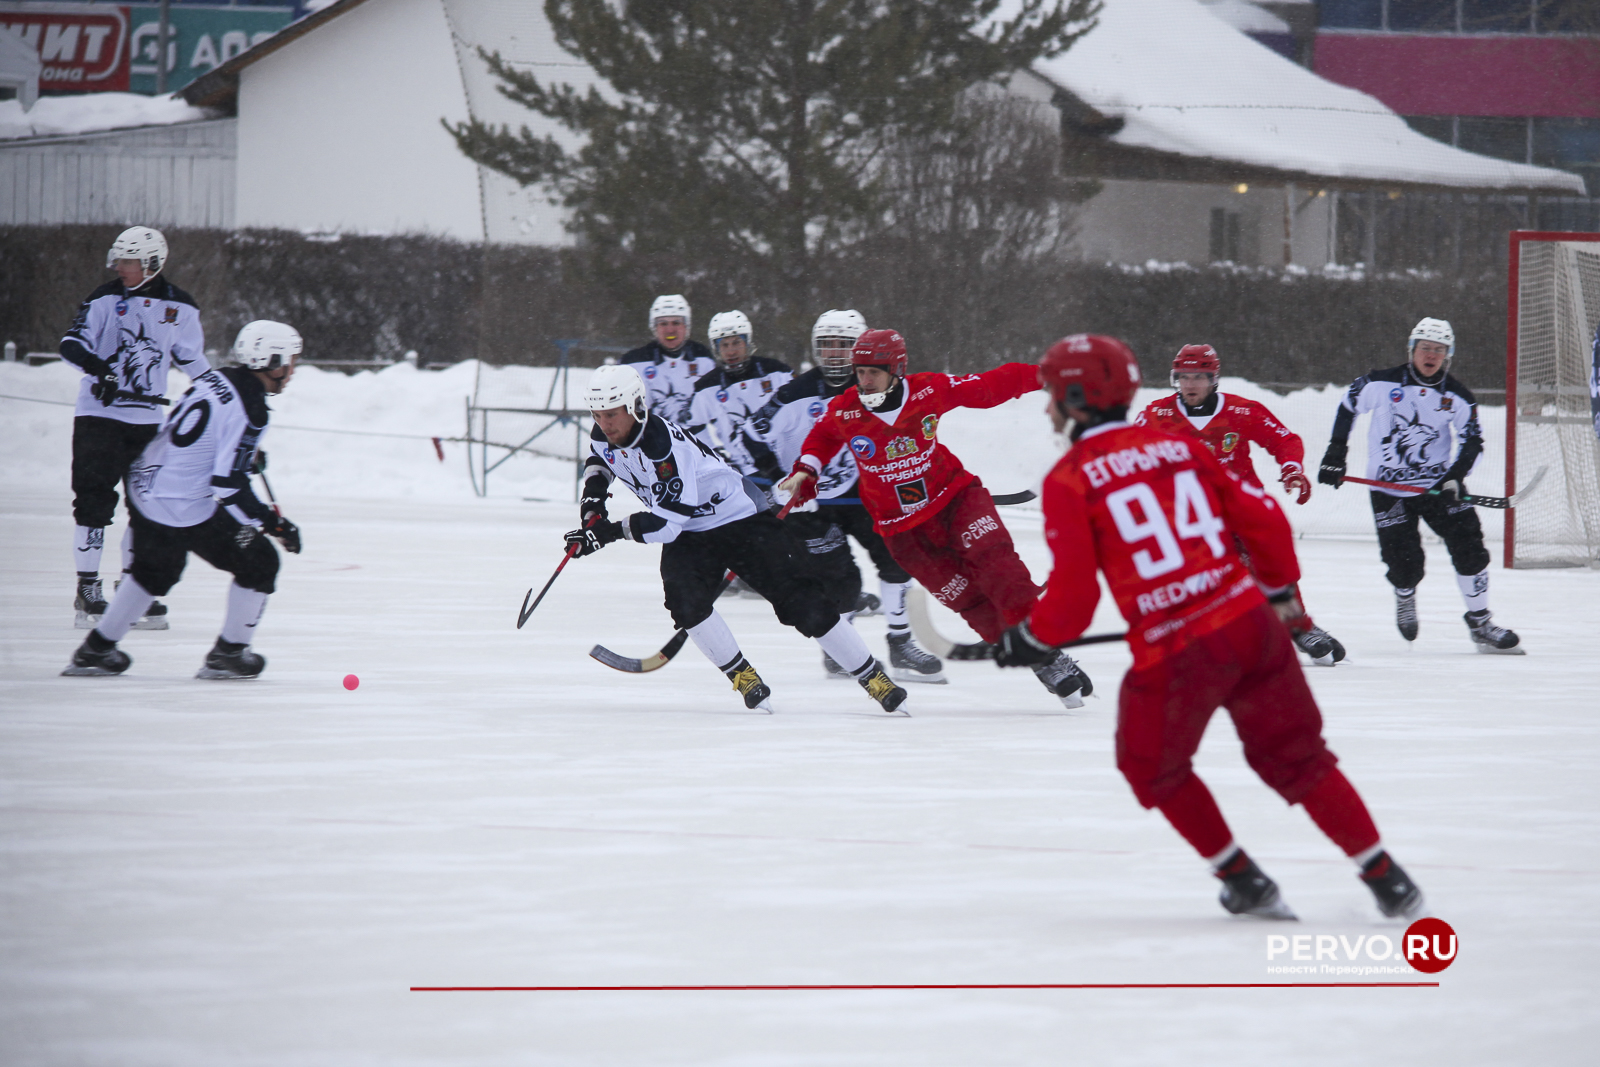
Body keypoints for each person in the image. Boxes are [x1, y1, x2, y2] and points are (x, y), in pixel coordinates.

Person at [994, 333, 1425, 920]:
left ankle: (1243, 880)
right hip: (1252, 628)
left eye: (1051, 395)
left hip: (1178, 652)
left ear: (1075, 398)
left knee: (1149, 765)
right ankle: (1387, 877)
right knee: (1300, 758)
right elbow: (1266, 522)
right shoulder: (1178, 448)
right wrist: (1276, 597)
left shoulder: (1070, 479)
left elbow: (1072, 599)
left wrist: (1032, 638)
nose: (1046, 407)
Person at [567, 364, 908, 714]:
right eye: (597, 415)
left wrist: (606, 534)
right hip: (691, 531)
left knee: (801, 603)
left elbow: (665, 526)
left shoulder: (663, 448)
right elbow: (601, 458)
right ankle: (744, 677)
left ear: (636, 407)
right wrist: (592, 505)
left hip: (739, 519)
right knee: (685, 603)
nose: (604, 424)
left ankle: (873, 678)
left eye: (611, 414)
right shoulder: (605, 432)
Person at [779, 329, 1091, 708]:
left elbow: (990, 386)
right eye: (859, 372)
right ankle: (1041, 657)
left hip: (954, 501)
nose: (864, 380)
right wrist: (806, 469)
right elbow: (824, 437)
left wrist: (1046, 374)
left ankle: (1048, 649)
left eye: (873, 372)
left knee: (999, 569)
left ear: (896, 369)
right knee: (971, 603)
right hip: (903, 532)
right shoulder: (846, 407)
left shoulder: (928, 390)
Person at [62, 321, 304, 679]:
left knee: (154, 572)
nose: (292, 371)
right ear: (272, 360)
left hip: (145, 485)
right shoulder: (255, 408)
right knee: (260, 562)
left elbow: (207, 432)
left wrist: (244, 454)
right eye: (291, 361)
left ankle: (95, 650)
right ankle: (230, 654)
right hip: (182, 505)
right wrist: (273, 523)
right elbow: (228, 484)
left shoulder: (221, 378)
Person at [753, 310, 944, 683]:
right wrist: (777, 480)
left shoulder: (881, 390)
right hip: (810, 506)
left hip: (863, 495)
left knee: (897, 558)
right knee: (843, 581)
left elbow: (910, 437)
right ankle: (840, 651)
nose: (835, 354)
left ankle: (901, 642)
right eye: (827, 345)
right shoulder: (793, 394)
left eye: (844, 346)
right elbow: (750, 435)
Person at [1317, 317, 1521, 653]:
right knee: (1405, 563)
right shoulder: (1380, 383)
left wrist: (1456, 475)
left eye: (1438, 350)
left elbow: (1473, 442)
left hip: (1437, 488)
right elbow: (1348, 405)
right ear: (1412, 349)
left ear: (1447, 356)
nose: (1431, 355)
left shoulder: (1457, 396)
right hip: (1387, 490)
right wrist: (1335, 452)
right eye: (1425, 347)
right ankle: (1405, 593)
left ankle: (1481, 622)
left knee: (1470, 546)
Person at [1136, 343, 1345, 665]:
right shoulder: (1155, 415)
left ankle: (1299, 627)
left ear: (1213, 379)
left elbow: (1284, 440)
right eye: (1184, 377)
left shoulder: (1240, 411)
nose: (1190, 384)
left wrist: (1292, 469)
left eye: (1199, 377)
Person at [58, 226, 211, 631]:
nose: (120, 268)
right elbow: (71, 344)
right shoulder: (103, 298)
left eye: (128, 261)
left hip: (146, 425)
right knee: (93, 503)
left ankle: (132, 590)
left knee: (145, 507)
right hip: (98, 418)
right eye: (119, 261)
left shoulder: (181, 306)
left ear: (152, 264)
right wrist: (99, 370)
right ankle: (87, 588)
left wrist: (221, 396)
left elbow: (194, 362)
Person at [685, 310, 792, 487]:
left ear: (748, 342)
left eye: (737, 342)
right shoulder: (706, 387)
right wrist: (716, 457)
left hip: (786, 469)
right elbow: (692, 429)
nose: (731, 351)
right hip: (743, 478)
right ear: (716, 348)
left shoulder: (776, 372)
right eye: (724, 345)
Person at [620, 294, 716, 428]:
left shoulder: (703, 358)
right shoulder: (633, 362)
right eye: (663, 324)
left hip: (696, 442)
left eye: (676, 323)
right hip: (653, 442)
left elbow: (718, 409)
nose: (670, 330)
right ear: (654, 327)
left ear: (686, 326)